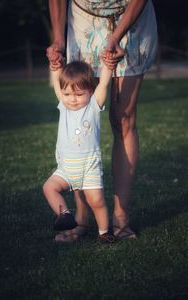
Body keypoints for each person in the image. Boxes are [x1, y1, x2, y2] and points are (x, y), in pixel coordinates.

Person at [47, 0, 158, 241]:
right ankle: (82, 217)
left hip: (131, 17)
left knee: (123, 119)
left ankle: (120, 217)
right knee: (78, 102)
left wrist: (116, 36)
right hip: (83, 21)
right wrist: (58, 38)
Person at [43, 51, 116, 243]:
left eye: (78, 94)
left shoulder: (93, 105)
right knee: (49, 187)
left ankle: (104, 233)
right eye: (67, 94)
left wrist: (108, 65)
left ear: (90, 91)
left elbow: (104, 83)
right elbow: (59, 81)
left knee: (96, 201)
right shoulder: (63, 105)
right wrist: (55, 65)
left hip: (88, 166)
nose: (72, 99)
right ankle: (65, 214)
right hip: (66, 168)